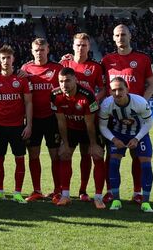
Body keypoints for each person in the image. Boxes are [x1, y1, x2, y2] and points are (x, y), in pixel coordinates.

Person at [101, 24, 153, 205]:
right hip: (113, 117)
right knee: (112, 155)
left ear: (130, 36)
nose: (120, 37)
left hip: (136, 116)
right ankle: (111, 192)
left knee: (137, 156)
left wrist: (142, 104)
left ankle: (137, 192)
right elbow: (101, 85)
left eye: (124, 34)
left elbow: (151, 84)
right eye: (117, 35)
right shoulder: (107, 60)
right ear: (113, 38)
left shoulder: (143, 59)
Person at [59, 32, 106, 202]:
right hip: (69, 118)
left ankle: (83, 190)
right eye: (78, 45)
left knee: (87, 155)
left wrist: (92, 101)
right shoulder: (64, 63)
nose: (81, 48)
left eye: (84, 45)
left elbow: (103, 89)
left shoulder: (95, 67)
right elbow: (57, 83)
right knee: (65, 154)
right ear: (73, 46)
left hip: (89, 119)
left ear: (89, 47)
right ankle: (63, 192)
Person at [99, 77, 153, 213]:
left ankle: (146, 201)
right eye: (113, 90)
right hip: (118, 133)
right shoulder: (107, 104)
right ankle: (116, 199)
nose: (117, 93)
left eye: (120, 89)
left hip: (139, 133)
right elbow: (102, 126)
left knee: (146, 164)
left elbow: (149, 123)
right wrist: (114, 139)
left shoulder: (139, 102)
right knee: (113, 163)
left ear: (127, 89)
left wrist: (137, 138)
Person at [0, 45, 32, 204]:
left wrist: (28, 125)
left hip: (17, 126)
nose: (5, 61)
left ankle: (18, 192)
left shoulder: (21, 79)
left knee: (19, 158)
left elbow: (28, 103)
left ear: (13, 59)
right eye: (3, 58)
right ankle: (0, 191)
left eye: (8, 58)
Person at [50, 68, 104, 208]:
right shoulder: (55, 95)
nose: (64, 84)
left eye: (67, 80)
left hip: (88, 129)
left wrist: (93, 144)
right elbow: (61, 122)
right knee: (64, 155)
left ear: (75, 80)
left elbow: (90, 123)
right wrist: (65, 143)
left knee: (96, 156)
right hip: (70, 128)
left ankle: (96, 197)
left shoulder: (87, 95)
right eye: (61, 81)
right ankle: (65, 195)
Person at [21, 38, 63, 203]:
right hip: (33, 119)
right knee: (33, 155)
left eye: (42, 49)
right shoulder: (26, 69)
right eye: (36, 50)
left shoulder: (57, 68)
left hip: (52, 119)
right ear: (32, 51)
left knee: (55, 155)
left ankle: (58, 190)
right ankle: (37, 190)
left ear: (48, 49)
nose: (39, 53)